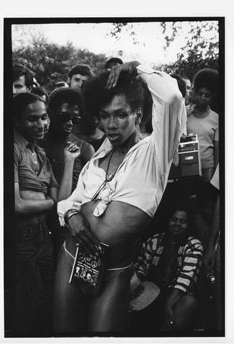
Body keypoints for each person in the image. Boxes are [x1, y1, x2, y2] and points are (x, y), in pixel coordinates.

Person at [53, 63, 185, 333]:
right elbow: (71, 200)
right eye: (104, 116)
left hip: (116, 269)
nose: (111, 124)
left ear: (138, 114)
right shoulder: (99, 156)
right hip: (71, 257)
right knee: (65, 337)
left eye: (120, 115)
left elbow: (171, 97)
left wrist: (136, 69)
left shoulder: (156, 152)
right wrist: (71, 215)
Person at [9, 92, 73, 335]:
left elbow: (62, 201)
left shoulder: (41, 154)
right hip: (20, 238)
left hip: (43, 238)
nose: (41, 124)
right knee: (25, 310)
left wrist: (69, 162)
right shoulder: (12, 150)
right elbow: (17, 206)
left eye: (44, 117)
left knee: (45, 305)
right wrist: (50, 202)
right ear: (17, 121)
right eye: (32, 119)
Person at [132, 208, 204, 331]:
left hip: (175, 295)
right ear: (168, 220)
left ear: (188, 224)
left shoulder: (193, 245)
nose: (177, 224)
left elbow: (186, 278)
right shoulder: (154, 241)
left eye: (182, 221)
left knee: (189, 302)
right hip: (151, 291)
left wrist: (168, 305)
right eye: (174, 220)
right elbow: (142, 267)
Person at [41, 87, 94, 195]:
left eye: (75, 119)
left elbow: (93, 188)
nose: (70, 123)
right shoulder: (36, 145)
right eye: (64, 117)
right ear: (50, 113)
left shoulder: (84, 148)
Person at [187, 69, 220, 181]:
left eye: (207, 95)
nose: (202, 97)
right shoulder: (185, 113)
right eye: (200, 93)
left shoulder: (216, 118)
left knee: (205, 196)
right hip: (188, 164)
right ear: (195, 93)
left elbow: (217, 148)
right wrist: (184, 116)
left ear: (212, 97)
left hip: (208, 167)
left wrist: (216, 172)